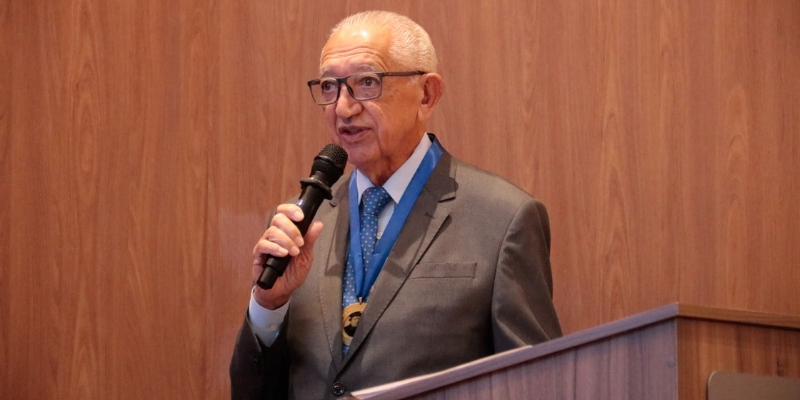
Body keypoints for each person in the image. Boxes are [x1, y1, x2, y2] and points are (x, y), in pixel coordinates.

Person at [230, 10, 562, 399]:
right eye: (330, 87)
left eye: (367, 82)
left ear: (427, 94)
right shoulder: (299, 224)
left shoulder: (503, 220)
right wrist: (268, 306)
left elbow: (535, 384)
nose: (343, 108)